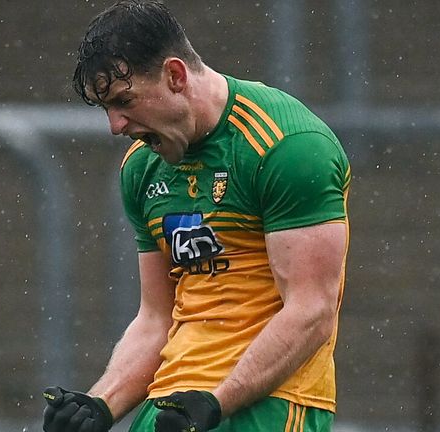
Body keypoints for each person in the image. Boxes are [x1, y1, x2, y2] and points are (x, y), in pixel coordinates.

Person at [42, 1, 351, 431]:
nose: (115, 125)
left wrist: (214, 403)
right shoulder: (141, 167)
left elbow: (312, 310)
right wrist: (99, 405)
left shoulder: (289, 146)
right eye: (106, 109)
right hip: (172, 407)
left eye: (124, 101)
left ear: (175, 76)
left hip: (267, 404)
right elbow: (156, 318)